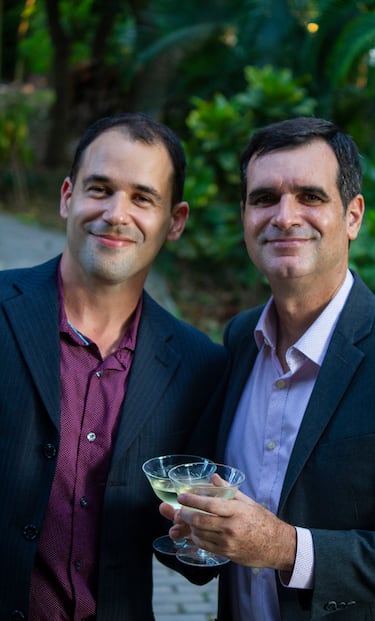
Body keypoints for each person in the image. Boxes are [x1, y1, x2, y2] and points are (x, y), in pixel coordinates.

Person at [161, 117, 375, 620]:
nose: (284, 216)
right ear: (244, 217)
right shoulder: (238, 340)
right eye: (264, 198)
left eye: (311, 197)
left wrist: (285, 548)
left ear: (353, 216)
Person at [0, 112, 228, 621]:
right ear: (67, 197)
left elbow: (198, 566)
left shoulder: (199, 365)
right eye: (99, 189)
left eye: (142, 197)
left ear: (175, 221)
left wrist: (209, 531)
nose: (116, 213)